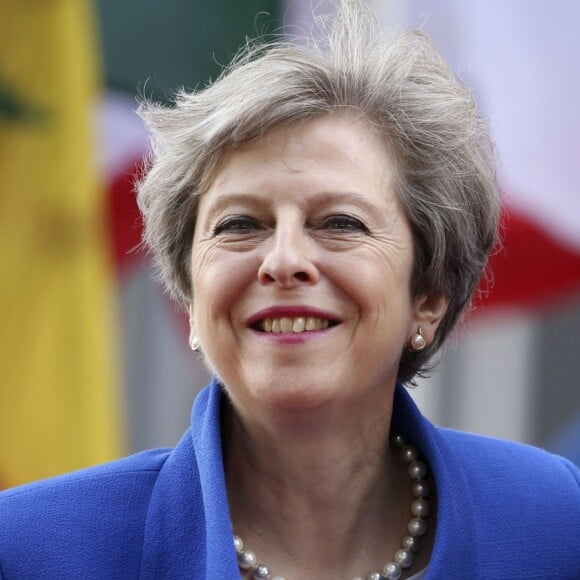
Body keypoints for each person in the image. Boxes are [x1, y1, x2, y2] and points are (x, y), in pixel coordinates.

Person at [1, 2, 579, 579]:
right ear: (191, 297)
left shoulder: (553, 521)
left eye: (340, 223)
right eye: (239, 225)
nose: (283, 261)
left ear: (427, 294)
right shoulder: (33, 550)